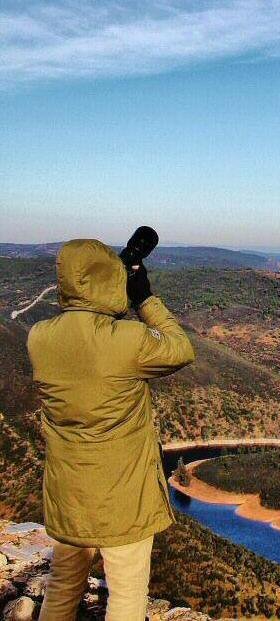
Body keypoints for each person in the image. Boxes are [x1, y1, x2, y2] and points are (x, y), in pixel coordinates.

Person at [27, 239, 195, 621]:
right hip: (124, 500)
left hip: (69, 495)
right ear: (109, 282)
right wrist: (144, 298)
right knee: (127, 593)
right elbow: (181, 348)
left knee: (62, 584)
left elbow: (89, 342)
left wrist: (109, 297)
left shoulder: (39, 338)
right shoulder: (129, 341)